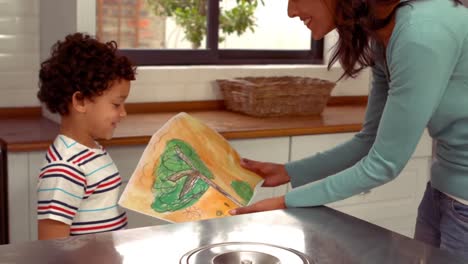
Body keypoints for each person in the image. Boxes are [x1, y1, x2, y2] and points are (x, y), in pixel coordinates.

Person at [229, 0, 468, 259]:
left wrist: (285, 202)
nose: (290, 11)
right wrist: (288, 172)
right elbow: (369, 140)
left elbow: (384, 164)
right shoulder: (384, 36)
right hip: (443, 193)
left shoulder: (420, 34)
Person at [36, 33, 136, 240]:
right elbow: (51, 247)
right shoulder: (65, 168)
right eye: (116, 104)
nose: (123, 113)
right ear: (80, 101)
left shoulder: (91, 150)